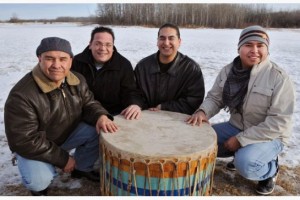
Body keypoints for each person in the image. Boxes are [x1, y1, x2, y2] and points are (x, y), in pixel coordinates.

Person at [186, 25, 295, 195]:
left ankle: (270, 169)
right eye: (248, 45)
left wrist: (241, 140)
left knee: (246, 164)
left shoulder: (278, 77)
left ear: (267, 49)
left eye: (260, 46)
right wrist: (203, 112)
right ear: (239, 48)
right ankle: (242, 153)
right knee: (199, 141)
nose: (254, 50)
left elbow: (278, 123)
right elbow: (215, 98)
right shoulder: (228, 71)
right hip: (237, 126)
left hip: (271, 135)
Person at [4, 37, 118, 196]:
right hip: (36, 146)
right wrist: (63, 159)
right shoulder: (22, 95)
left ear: (70, 60)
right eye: (49, 58)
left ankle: (81, 168)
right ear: (39, 59)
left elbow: (89, 103)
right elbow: (24, 140)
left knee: (99, 128)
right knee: (39, 180)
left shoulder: (77, 80)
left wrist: (100, 116)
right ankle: (39, 182)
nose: (57, 65)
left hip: (64, 135)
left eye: (63, 59)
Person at [71, 26, 146, 119]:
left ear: (113, 47)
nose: (103, 48)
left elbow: (130, 91)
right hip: (83, 114)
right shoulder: (77, 62)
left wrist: (135, 104)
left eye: (108, 45)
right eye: (98, 44)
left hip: (113, 114)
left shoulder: (123, 65)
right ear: (90, 45)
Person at [134, 23, 205, 115]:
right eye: (162, 38)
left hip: (178, 122)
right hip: (145, 118)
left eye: (171, 38)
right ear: (157, 41)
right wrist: (138, 105)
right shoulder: (143, 67)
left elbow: (193, 101)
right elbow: (134, 93)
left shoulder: (191, 69)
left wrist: (163, 107)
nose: (166, 43)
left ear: (179, 42)